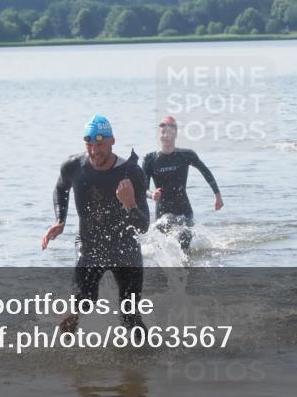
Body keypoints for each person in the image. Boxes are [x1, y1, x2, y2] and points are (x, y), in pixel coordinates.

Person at [42, 115, 150, 332]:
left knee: (130, 317)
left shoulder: (132, 173)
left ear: (112, 141)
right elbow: (61, 188)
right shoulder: (73, 166)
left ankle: (149, 352)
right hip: (90, 246)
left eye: (99, 144)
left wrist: (130, 204)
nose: (94, 151)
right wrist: (60, 220)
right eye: (89, 144)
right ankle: (61, 352)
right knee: (81, 304)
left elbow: (143, 226)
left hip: (125, 249)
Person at [142, 116, 223, 254]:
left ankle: (188, 266)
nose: (166, 136)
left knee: (184, 239)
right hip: (163, 211)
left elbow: (205, 172)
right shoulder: (150, 159)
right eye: (163, 132)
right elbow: (142, 188)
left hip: (184, 209)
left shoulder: (186, 155)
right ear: (158, 134)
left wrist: (217, 196)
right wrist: (152, 195)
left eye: (169, 132)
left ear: (176, 133)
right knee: (164, 240)